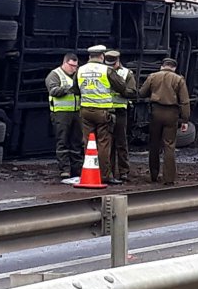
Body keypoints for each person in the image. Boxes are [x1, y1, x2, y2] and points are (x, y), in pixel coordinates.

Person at [74, 45, 129, 185]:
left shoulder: (80, 70)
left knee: (88, 143)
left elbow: (75, 89)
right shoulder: (107, 70)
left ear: (89, 57)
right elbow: (122, 87)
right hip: (102, 112)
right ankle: (105, 175)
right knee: (104, 143)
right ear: (102, 56)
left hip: (86, 110)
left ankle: (89, 171)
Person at [139, 57, 191, 185]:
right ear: (174, 68)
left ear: (162, 66)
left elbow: (142, 93)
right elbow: (184, 101)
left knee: (154, 144)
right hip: (171, 114)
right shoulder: (179, 79)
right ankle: (169, 178)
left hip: (155, 113)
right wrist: (185, 120)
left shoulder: (152, 76)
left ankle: (154, 175)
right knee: (169, 145)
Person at [46, 53, 83, 179]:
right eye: (71, 66)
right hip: (61, 113)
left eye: (76, 66)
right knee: (62, 141)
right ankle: (64, 169)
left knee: (76, 142)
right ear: (65, 63)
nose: (74, 69)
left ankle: (77, 168)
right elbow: (53, 91)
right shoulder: (55, 75)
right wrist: (69, 88)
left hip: (76, 112)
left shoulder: (78, 75)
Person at [104, 50, 138, 182]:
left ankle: (124, 171)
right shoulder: (103, 71)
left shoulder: (126, 73)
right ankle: (110, 171)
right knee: (107, 143)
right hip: (105, 110)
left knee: (121, 142)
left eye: (113, 64)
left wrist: (120, 89)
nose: (111, 67)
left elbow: (132, 92)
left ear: (118, 61)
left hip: (119, 111)